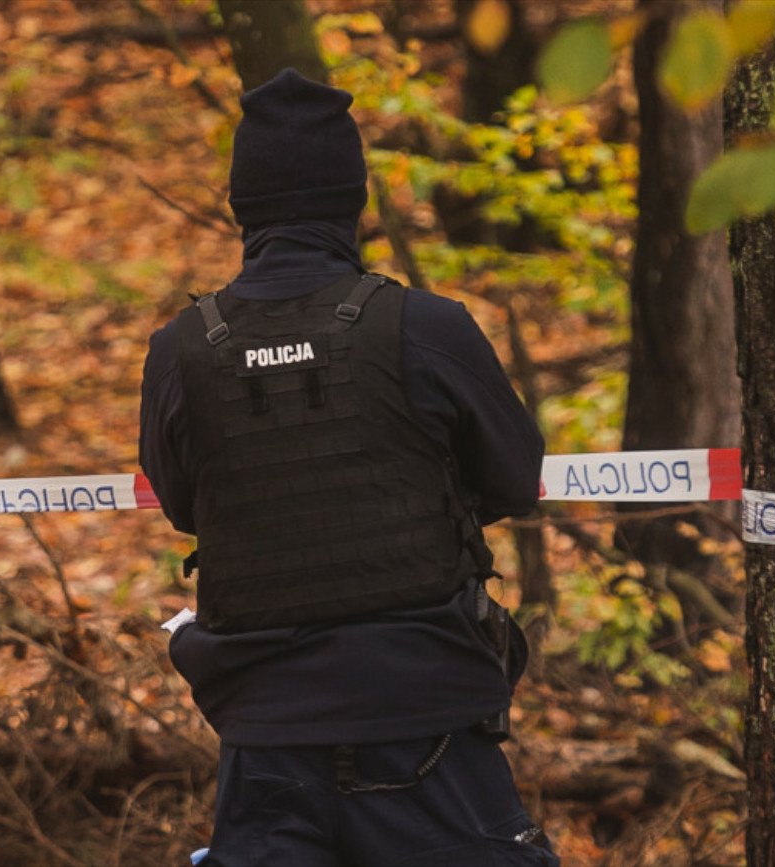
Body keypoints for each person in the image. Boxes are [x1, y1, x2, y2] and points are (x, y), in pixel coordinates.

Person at [138, 68, 553, 867]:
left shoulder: (181, 351)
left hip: (265, 747)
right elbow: (514, 478)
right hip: (427, 730)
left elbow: (187, 506)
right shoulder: (427, 328)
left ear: (240, 205)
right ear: (353, 199)